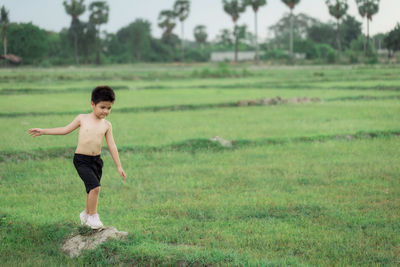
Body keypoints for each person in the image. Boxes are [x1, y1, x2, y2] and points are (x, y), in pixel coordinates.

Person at [28, 86, 127, 229]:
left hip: (96, 161)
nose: (105, 111)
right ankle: (93, 216)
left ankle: (86, 214)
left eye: (109, 108)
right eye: (102, 107)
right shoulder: (82, 118)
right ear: (92, 104)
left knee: (90, 190)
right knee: (95, 188)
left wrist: (119, 166)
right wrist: (43, 131)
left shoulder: (107, 125)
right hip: (81, 160)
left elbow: (112, 145)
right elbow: (64, 130)